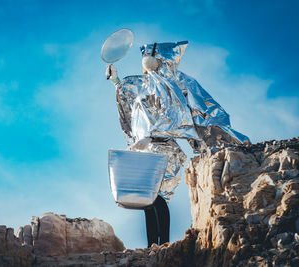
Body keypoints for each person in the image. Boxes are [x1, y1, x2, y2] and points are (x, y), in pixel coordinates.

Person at [106, 41, 250, 247]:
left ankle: (163, 241)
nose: (146, 63)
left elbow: (188, 108)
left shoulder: (172, 83)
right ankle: (152, 245)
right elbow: (127, 93)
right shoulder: (143, 85)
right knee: (147, 201)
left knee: (156, 196)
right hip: (145, 148)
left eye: (152, 59)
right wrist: (115, 79)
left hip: (163, 146)